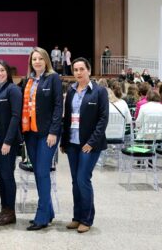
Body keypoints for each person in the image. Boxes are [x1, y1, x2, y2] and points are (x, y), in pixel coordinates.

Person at [60, 57, 109, 233]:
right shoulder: (71, 91)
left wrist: (91, 142)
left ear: (88, 70)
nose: (78, 73)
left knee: (83, 179)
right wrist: (64, 141)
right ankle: (77, 217)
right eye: (75, 70)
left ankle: (87, 219)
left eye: (82, 69)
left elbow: (103, 120)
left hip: (89, 145)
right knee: (75, 181)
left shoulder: (99, 91)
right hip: (72, 143)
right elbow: (66, 119)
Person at [22, 47, 63, 231]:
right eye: (34, 59)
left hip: (47, 134)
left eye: (40, 58)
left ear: (46, 60)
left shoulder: (53, 78)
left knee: (42, 172)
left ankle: (41, 216)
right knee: (39, 173)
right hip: (30, 133)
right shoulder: (28, 80)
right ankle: (49, 211)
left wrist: (54, 131)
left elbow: (57, 106)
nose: (36, 62)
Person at [0, 60, 22, 226]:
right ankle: (4, 210)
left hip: (6, 142)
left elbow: (16, 117)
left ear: (7, 72)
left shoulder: (13, 90)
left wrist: (8, 141)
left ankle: (11, 212)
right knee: (0, 176)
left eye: (2, 70)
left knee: (7, 176)